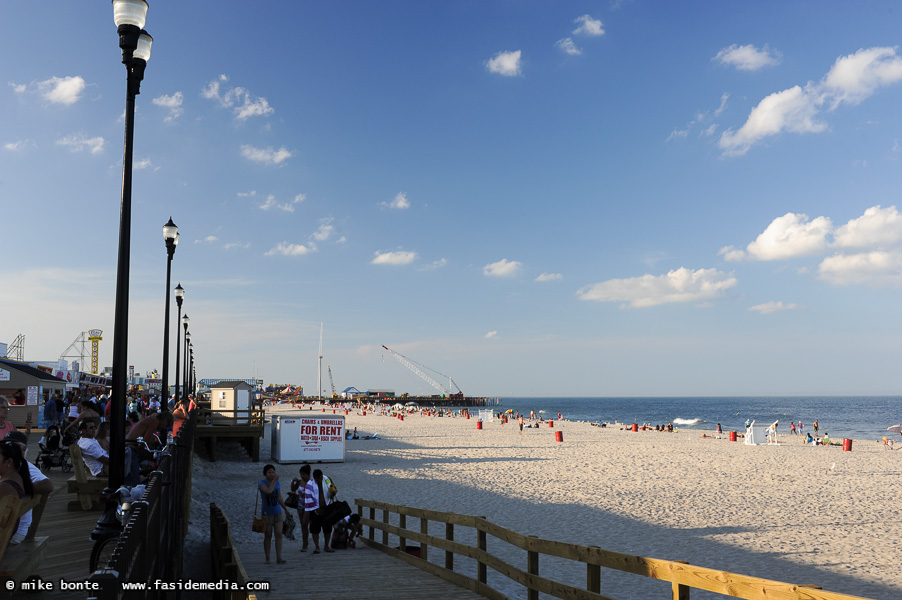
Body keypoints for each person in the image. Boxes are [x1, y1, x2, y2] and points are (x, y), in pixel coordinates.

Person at [4, 431, 53, 544]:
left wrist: (20, 489)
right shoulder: (9, 465)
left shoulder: (25, 467)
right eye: (5, 445)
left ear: (23, 449)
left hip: (11, 531)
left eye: (12, 445)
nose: (8, 449)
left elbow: (48, 485)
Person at [259, 464, 288, 564]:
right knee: (268, 535)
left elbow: (279, 497)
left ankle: (279, 557)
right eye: (269, 472)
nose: (272, 474)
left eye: (273, 472)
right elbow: (268, 491)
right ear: (265, 473)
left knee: (279, 534)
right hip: (267, 513)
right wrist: (274, 481)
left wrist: (286, 510)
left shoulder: (278, 483)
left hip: (277, 512)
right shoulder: (261, 483)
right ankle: (267, 557)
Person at [305, 468, 333, 553]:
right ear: (314, 478)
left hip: (327, 507)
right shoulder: (310, 484)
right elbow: (309, 498)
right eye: (317, 479)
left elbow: (332, 488)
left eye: (320, 478)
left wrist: (333, 492)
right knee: (315, 530)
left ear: (321, 476)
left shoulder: (327, 479)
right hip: (315, 510)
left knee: (328, 529)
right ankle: (317, 547)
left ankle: (326, 546)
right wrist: (316, 509)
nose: (319, 480)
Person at [291, 464, 312, 551]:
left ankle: (306, 543)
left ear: (308, 474)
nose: (302, 476)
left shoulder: (312, 482)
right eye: (301, 474)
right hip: (300, 506)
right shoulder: (299, 482)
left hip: (309, 506)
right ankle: (305, 543)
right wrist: (293, 481)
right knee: (303, 526)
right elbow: (293, 489)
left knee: (305, 524)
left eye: (303, 474)